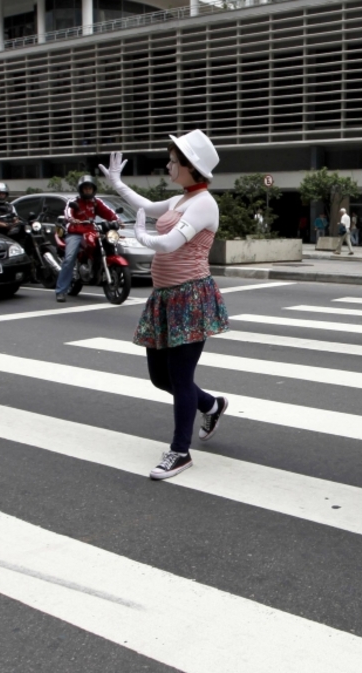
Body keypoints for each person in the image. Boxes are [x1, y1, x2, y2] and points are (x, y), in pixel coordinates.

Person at [99, 131, 230, 480]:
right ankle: (212, 405)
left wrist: (144, 239)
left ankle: (179, 452)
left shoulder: (204, 203)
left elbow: (172, 242)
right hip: (164, 297)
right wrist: (117, 184)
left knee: (181, 377)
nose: (169, 165)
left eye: (174, 160)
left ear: (192, 167)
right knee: (160, 377)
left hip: (190, 298)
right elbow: (142, 204)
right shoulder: (179, 200)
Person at [55, 175, 119, 302]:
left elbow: (108, 212)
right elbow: (68, 212)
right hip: (76, 233)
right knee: (69, 259)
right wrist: (72, 219)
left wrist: (117, 220)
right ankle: (61, 291)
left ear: (93, 189)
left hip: (91, 231)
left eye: (90, 188)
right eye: (85, 188)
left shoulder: (96, 202)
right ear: (81, 189)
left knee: (107, 244)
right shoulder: (74, 201)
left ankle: (97, 270)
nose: (88, 190)